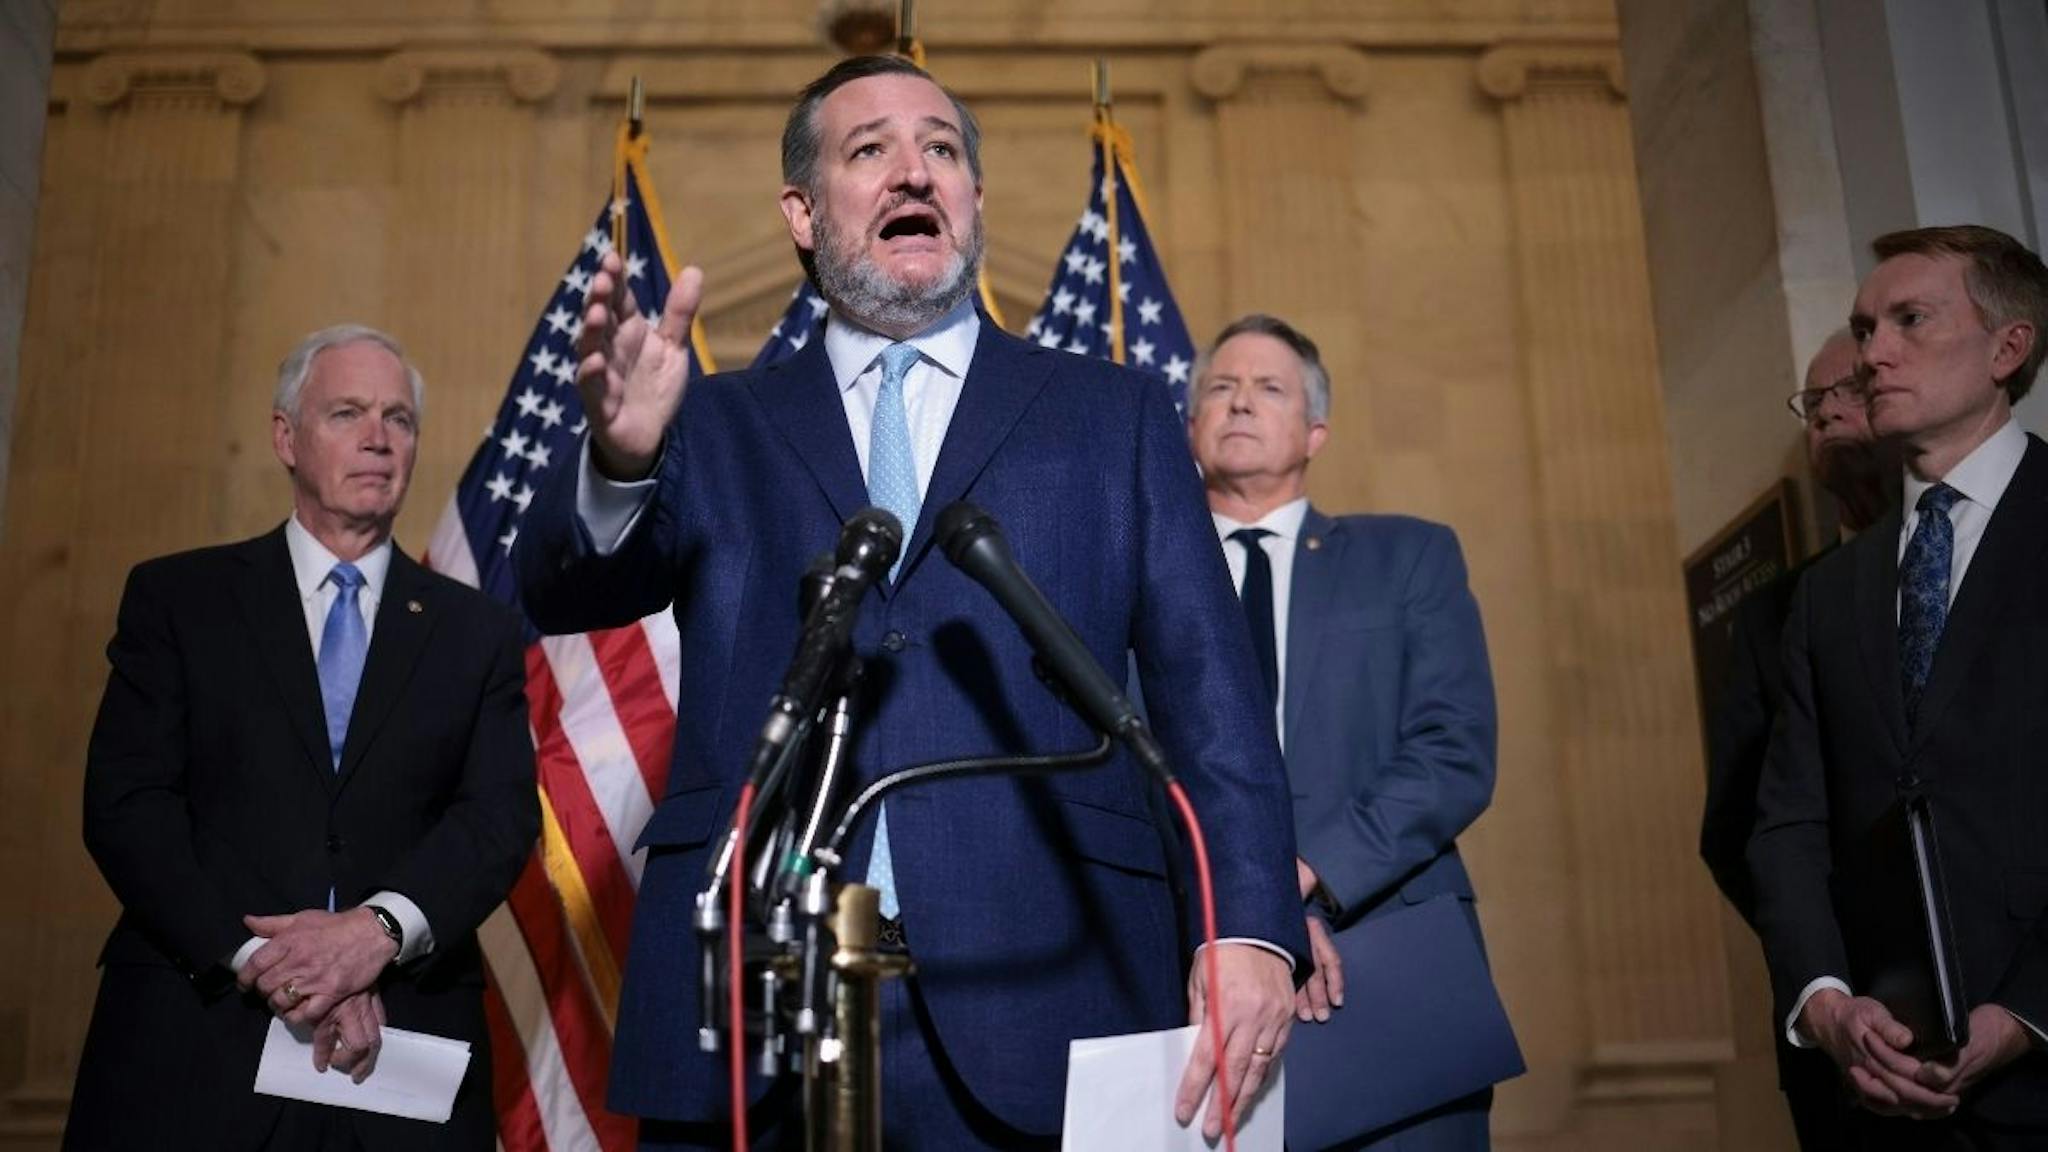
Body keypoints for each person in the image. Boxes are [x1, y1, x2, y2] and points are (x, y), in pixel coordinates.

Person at [513, 54, 1306, 1150]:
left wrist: (1247, 930)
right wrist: (616, 460)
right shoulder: (717, 423)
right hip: (756, 1007)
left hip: (1051, 988)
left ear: (973, 200)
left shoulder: (1110, 414)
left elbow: (1208, 702)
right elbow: (562, 589)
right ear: (802, 210)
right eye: (869, 150)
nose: (913, 173)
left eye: (940, 149)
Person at [65, 325, 540, 1151]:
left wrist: (375, 933)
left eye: (399, 419)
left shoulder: (479, 633)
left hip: (401, 1050)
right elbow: (128, 805)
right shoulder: (180, 600)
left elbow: (497, 820)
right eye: (347, 413)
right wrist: (264, 959)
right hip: (196, 1044)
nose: (378, 438)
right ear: (286, 437)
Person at [1749, 225, 2048, 1150]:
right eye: (1865, 326)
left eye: (1910, 321)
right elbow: (1789, 824)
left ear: (2008, 347)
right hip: (1879, 1100)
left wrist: (2027, 1014)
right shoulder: (1830, 591)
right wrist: (1828, 1005)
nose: (1873, 355)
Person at [1186, 313, 1509, 1150]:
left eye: (1269, 389)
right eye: (1220, 388)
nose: (1241, 404)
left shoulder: (1409, 556)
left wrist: (1305, 875)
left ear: (1315, 430)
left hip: (1387, 963)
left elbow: (1453, 750)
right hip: (1193, 971)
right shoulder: (1147, 577)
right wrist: (1235, 905)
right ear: (1191, 423)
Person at [1699, 328, 1892, 1150]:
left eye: (1851, 389)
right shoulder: (1774, 613)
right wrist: (1822, 973)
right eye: (1814, 403)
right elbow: (1737, 828)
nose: (1828, 414)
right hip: (1837, 1031)